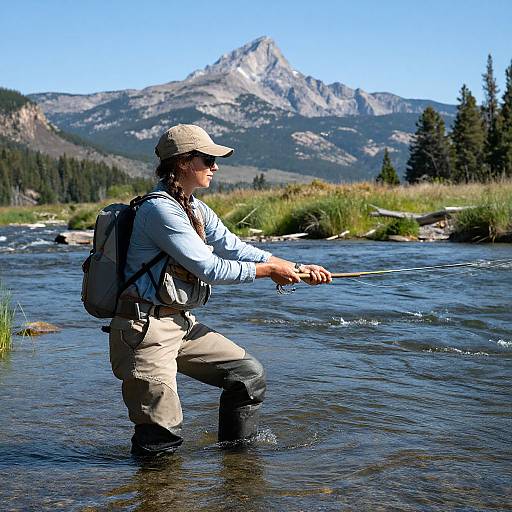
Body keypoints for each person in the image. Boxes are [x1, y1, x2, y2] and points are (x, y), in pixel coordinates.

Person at [109, 124, 331, 456]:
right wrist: (271, 271)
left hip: (180, 324)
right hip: (145, 331)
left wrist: (296, 268)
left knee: (247, 376)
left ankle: (235, 466)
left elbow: (234, 247)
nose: (215, 166)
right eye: (208, 159)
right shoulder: (160, 209)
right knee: (160, 438)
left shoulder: (193, 207)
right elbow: (210, 268)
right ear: (184, 162)